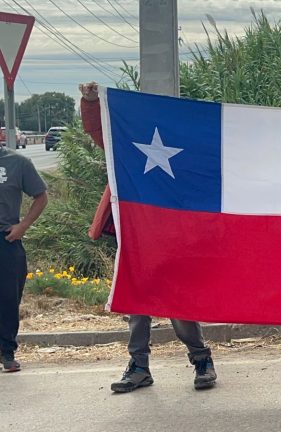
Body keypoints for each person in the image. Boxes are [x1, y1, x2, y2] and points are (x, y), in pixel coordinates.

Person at [78, 82, 218, 392]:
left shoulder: (190, 145)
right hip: (134, 234)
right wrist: (89, 101)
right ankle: (138, 366)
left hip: (172, 236)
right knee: (136, 303)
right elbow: (99, 130)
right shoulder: (129, 137)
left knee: (177, 303)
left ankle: (201, 359)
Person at [0, 138, 48, 372]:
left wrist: (23, 226)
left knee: (9, 298)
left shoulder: (18, 163)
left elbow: (41, 196)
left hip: (6, 239)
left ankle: (7, 352)